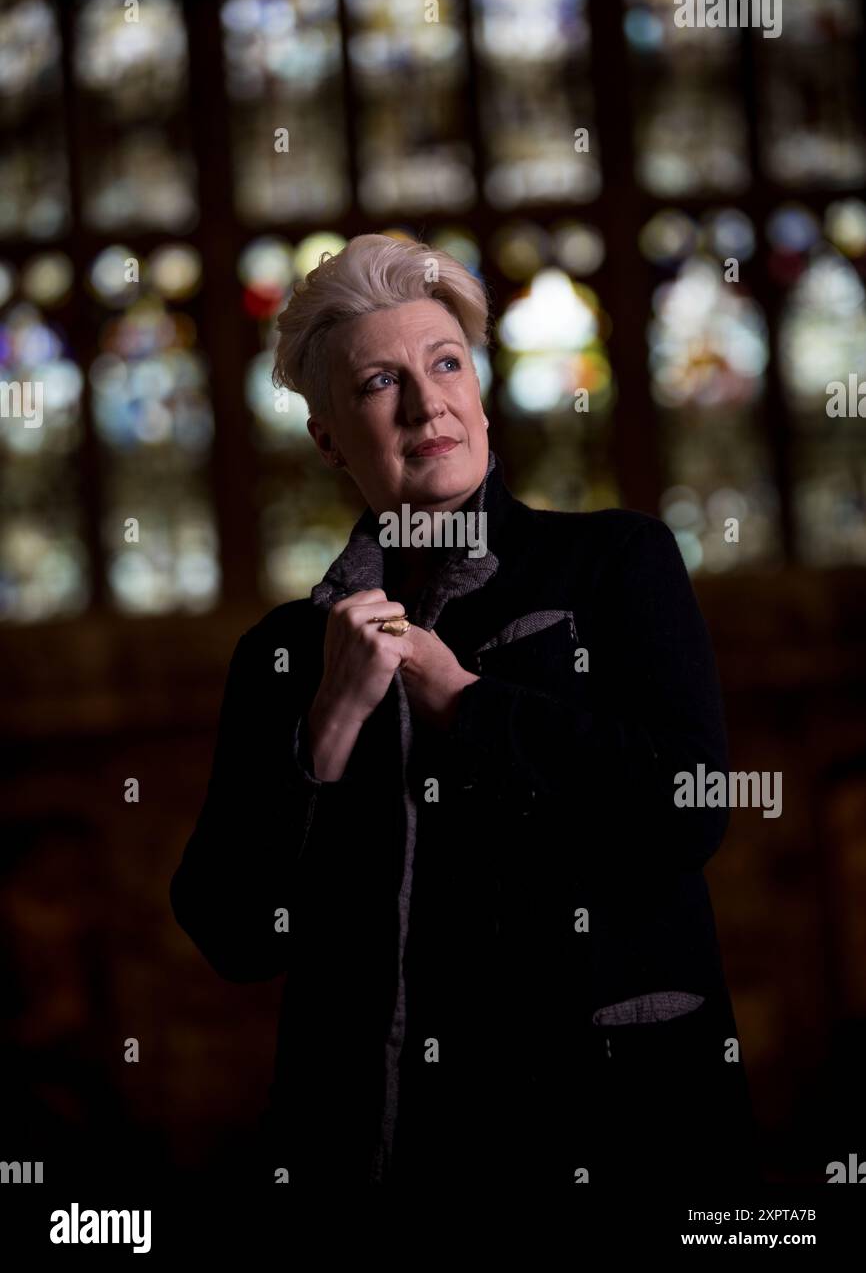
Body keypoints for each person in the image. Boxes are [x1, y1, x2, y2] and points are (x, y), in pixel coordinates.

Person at [169, 233, 758, 1194]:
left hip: (618, 1145)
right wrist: (327, 727)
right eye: (377, 384)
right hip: (383, 1159)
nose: (426, 402)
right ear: (326, 436)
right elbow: (235, 935)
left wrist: (470, 707)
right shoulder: (282, 654)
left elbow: (686, 807)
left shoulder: (616, 562)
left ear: (479, 387)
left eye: (446, 364)